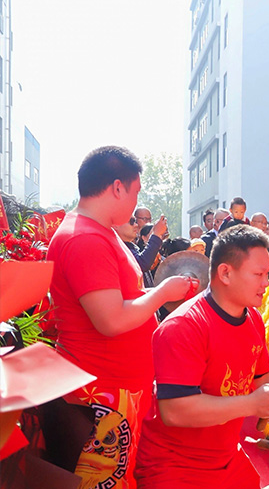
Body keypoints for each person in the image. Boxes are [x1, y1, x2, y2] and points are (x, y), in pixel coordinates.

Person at [47, 146, 193, 489]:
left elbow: (121, 299)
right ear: (117, 187)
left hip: (116, 388)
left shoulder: (99, 231)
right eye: (136, 191)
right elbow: (111, 320)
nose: (135, 203)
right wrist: (163, 293)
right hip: (102, 395)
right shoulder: (84, 239)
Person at [135, 225, 269, 489]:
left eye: (267, 273)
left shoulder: (253, 319)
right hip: (174, 466)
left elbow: (264, 382)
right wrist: (251, 404)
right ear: (225, 272)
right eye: (258, 274)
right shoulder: (184, 326)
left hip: (226, 459)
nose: (266, 282)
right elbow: (175, 411)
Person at [115, 215, 165, 288]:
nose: (136, 225)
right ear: (116, 225)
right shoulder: (117, 247)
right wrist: (156, 234)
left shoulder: (130, 246)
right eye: (131, 222)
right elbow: (142, 263)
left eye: (135, 221)